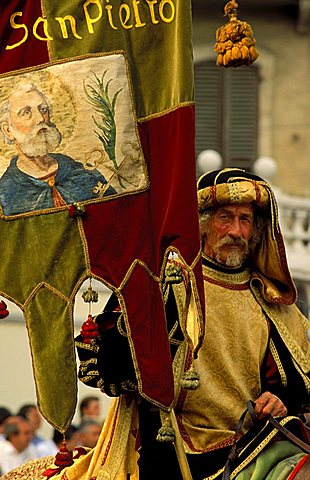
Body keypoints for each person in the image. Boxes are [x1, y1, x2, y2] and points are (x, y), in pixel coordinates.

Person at [137, 168, 310, 479]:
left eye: (245, 219)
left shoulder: (269, 298)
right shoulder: (170, 281)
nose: (236, 230)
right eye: (225, 218)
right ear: (202, 224)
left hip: (253, 445)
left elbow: (297, 386)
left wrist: (279, 402)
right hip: (178, 447)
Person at [0, 83, 116, 216]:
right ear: (8, 130)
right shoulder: (5, 192)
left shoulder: (81, 171)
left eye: (43, 109)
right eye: (27, 112)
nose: (40, 119)